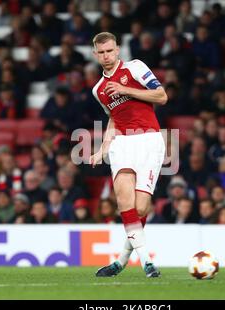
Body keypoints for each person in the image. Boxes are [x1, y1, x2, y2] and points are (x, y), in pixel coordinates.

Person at [89, 32, 167, 278]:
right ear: (95, 55)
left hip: (150, 141)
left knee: (141, 207)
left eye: (110, 50)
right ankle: (147, 263)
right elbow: (114, 117)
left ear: (118, 49)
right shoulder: (98, 90)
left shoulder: (135, 68)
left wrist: (125, 89)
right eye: (101, 52)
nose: (106, 56)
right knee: (124, 200)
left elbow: (161, 96)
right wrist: (102, 149)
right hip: (122, 144)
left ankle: (121, 261)